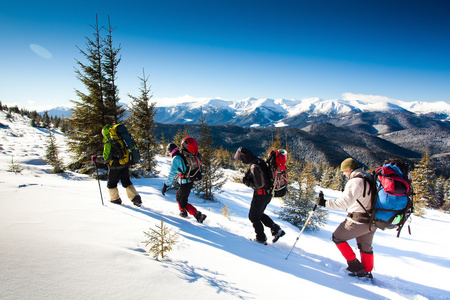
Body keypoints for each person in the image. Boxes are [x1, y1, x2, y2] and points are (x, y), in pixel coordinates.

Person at [316, 158, 374, 278]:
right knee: (365, 247)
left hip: (357, 220)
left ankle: (355, 266)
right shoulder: (369, 178)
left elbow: (344, 204)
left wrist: (324, 203)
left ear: (350, 169)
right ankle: (367, 272)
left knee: (337, 237)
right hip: (373, 221)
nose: (344, 173)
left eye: (344, 171)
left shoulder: (355, 182)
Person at [234, 147, 285, 245]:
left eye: (241, 159)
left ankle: (261, 238)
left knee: (253, 217)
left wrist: (247, 182)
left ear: (244, 158)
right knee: (258, 214)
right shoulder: (258, 160)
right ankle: (276, 229)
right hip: (267, 194)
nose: (241, 161)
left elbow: (258, 184)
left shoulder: (254, 166)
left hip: (261, 195)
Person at [91, 124, 142, 207]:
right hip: (125, 164)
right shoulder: (120, 139)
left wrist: (96, 159)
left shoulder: (108, 142)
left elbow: (106, 158)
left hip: (114, 167)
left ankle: (115, 200)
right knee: (126, 182)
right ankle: (136, 198)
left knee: (111, 184)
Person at [161, 143, 207, 223]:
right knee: (179, 196)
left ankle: (198, 215)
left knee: (183, 202)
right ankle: (183, 212)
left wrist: (166, 185)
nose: (169, 154)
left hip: (185, 182)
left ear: (170, 151)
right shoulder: (182, 155)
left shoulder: (175, 159)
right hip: (188, 181)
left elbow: (171, 174)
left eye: (168, 152)